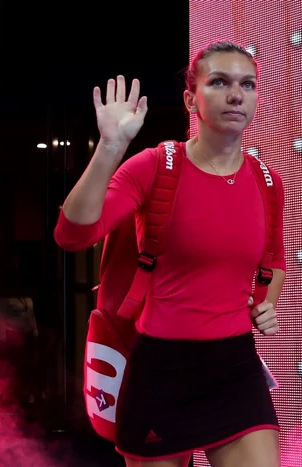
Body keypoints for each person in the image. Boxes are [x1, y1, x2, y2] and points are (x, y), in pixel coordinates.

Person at [54, 41, 286, 467]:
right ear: (190, 99)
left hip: (234, 369)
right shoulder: (154, 166)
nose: (236, 95)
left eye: (247, 84)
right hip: (161, 371)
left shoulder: (266, 180)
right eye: (219, 82)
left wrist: (265, 305)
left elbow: (273, 258)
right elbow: (73, 234)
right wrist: (109, 147)